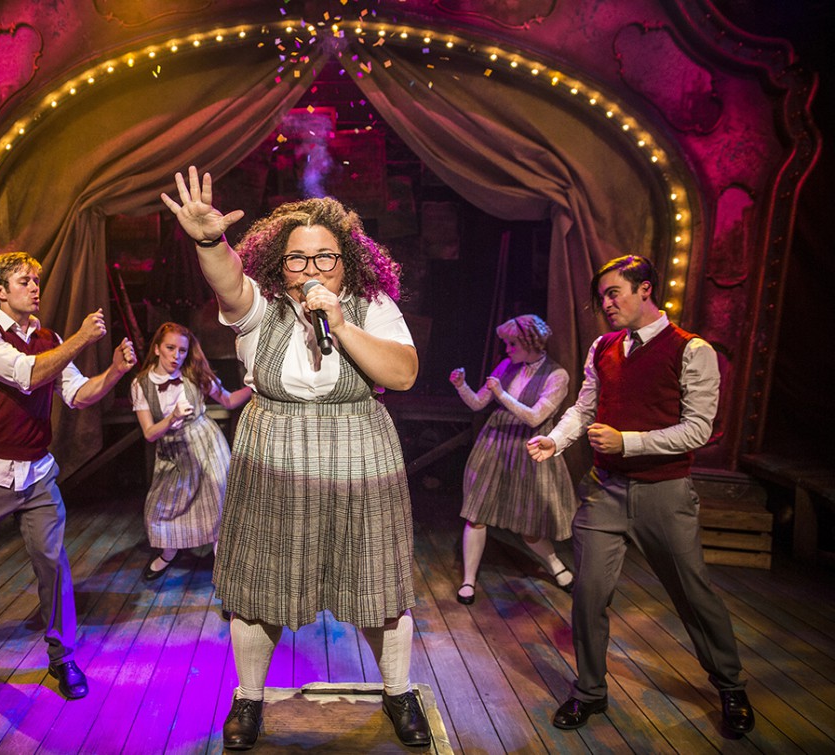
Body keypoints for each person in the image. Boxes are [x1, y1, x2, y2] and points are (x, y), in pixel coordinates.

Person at [161, 166, 431, 750]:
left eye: (325, 257)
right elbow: (228, 283)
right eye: (298, 259)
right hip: (274, 449)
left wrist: (341, 323)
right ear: (279, 266)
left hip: (360, 446)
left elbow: (404, 374)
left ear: (346, 261)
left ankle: (398, 690)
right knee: (262, 581)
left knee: (377, 580)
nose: (312, 269)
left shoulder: (371, 304)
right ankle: (250, 698)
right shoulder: (260, 306)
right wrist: (210, 242)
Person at [527, 254, 754, 734]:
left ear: (645, 289)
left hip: (663, 493)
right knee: (588, 595)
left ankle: (730, 685)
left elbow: (698, 429)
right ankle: (589, 692)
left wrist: (628, 442)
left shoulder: (691, 350)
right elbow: (585, 408)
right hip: (604, 491)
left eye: (614, 293)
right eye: (602, 297)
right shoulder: (603, 346)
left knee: (692, 593)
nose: (607, 304)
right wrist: (556, 439)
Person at [0, 251, 137, 700]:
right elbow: (26, 375)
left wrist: (115, 371)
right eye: (25, 281)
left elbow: (78, 394)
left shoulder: (48, 338)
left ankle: (62, 657)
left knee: (52, 564)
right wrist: (81, 338)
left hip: (37, 473)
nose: (35, 287)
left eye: (37, 280)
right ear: (0, 291)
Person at [449, 314, 579, 604]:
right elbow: (479, 403)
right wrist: (461, 385)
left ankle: (556, 566)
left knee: (528, 524)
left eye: (512, 344)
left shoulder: (557, 375)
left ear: (530, 341)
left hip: (530, 448)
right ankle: (468, 580)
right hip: (495, 444)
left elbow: (535, 417)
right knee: (476, 514)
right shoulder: (507, 365)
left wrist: (502, 394)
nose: (507, 349)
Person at [130, 322, 251, 580]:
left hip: (206, 444)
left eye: (182, 350)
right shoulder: (141, 384)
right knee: (162, 508)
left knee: (216, 502)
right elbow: (149, 433)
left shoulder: (194, 376)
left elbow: (228, 400)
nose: (176, 356)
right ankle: (169, 552)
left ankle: (224, 570)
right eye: (170, 348)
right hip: (172, 450)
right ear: (157, 349)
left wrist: (256, 388)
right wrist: (172, 418)